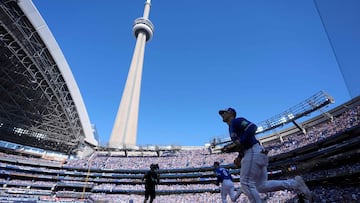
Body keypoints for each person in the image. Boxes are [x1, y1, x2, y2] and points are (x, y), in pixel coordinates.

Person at [218, 107, 313, 203]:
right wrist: (239, 157)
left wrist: (240, 142)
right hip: (255, 152)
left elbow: (252, 127)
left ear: (230, 113)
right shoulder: (231, 127)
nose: (222, 114)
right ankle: (294, 184)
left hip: (253, 151)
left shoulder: (236, 121)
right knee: (260, 186)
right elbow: (242, 144)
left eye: (223, 112)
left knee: (246, 183)